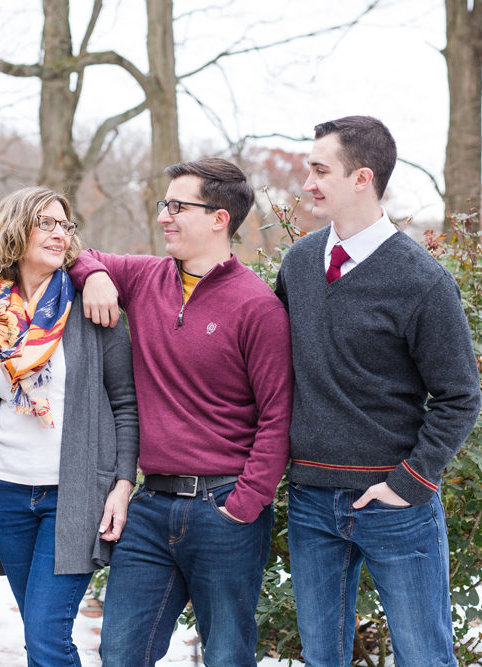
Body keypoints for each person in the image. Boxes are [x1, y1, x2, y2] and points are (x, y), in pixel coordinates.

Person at [274, 115, 481, 666]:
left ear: (362, 177)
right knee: (323, 658)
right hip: (312, 499)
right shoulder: (297, 264)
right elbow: (276, 372)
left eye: (321, 170)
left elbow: (460, 395)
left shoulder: (422, 280)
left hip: (395, 505)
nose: (308, 183)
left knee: (424, 657)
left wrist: (410, 482)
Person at [72, 158, 293, 666]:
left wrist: (245, 503)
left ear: (220, 219)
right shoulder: (146, 277)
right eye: (163, 205)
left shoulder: (257, 307)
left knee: (227, 655)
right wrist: (99, 275)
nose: (164, 217)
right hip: (150, 508)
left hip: (224, 509)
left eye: (178, 206)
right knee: (121, 653)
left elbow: (277, 416)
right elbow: (75, 254)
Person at [0, 186, 139, 665]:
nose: (60, 233)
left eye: (65, 224)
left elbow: (124, 402)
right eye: (47, 223)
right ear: (17, 231)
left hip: (73, 495)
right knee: (38, 630)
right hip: (5, 492)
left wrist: (122, 484)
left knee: (46, 634)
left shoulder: (93, 307)